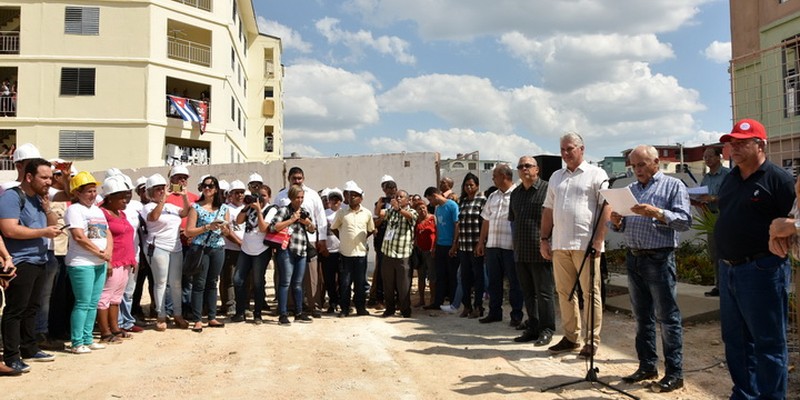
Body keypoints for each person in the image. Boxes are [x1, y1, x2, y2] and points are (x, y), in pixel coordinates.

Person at [716, 119, 795, 399]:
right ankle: (744, 394)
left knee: (768, 343)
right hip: (729, 270)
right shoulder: (730, 178)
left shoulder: (779, 180)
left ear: (760, 145)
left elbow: (794, 220)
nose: (733, 147)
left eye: (741, 142)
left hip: (762, 270)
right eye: (731, 142)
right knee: (735, 340)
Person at [609, 145, 692, 393]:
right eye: (634, 166)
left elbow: (685, 221)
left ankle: (675, 373)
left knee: (667, 318)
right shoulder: (631, 190)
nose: (637, 170)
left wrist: (658, 213)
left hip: (659, 258)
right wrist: (616, 222)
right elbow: (622, 227)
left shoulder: (673, 186)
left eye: (642, 165)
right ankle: (647, 366)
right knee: (642, 317)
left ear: (656, 162)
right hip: (633, 258)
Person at [541, 132, 610, 358]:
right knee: (564, 292)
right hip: (560, 243)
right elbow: (548, 209)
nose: (565, 153)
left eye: (570, 149)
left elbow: (606, 208)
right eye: (562, 150)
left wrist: (598, 240)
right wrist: (544, 239)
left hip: (585, 244)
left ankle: (591, 340)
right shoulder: (556, 177)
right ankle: (571, 337)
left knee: (590, 292)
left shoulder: (596, 174)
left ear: (582, 149)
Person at [0, 158, 61, 372]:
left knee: (32, 307)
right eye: (43, 177)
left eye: (50, 177)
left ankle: (29, 347)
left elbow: (52, 225)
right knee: (15, 310)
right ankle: (11, 356)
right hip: (21, 261)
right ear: (28, 177)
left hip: (40, 260)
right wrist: (43, 232)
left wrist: (47, 209)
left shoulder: (38, 199)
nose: (49, 182)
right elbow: (9, 229)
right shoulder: (12, 197)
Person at [64, 171, 113, 354]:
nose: (92, 194)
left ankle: (88, 338)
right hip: (81, 262)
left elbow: (107, 232)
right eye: (88, 191)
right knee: (83, 302)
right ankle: (77, 342)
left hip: (98, 262)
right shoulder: (74, 210)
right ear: (77, 192)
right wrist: (100, 253)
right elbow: (79, 236)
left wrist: (107, 252)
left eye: (94, 190)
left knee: (93, 302)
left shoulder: (97, 210)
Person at [508, 156, 554, 345]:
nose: (524, 169)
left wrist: (549, 243)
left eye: (528, 165)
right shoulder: (516, 193)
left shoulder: (547, 190)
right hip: (521, 250)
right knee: (528, 293)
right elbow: (513, 220)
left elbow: (553, 220)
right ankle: (533, 328)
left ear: (537, 169)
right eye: (520, 166)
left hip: (540, 250)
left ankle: (547, 329)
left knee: (544, 293)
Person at [274, 167, 327, 318]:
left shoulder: (312, 195)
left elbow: (320, 217)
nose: (297, 180)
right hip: (286, 242)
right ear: (289, 179)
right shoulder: (281, 196)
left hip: (308, 242)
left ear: (303, 178)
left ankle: (314, 306)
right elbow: (274, 219)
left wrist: (321, 238)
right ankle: (289, 307)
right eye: (294, 178)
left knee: (311, 276)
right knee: (286, 277)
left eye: (299, 178)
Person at [140, 173, 191, 331]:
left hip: (175, 247)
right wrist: (163, 200)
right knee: (161, 282)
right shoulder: (147, 207)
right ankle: (161, 315)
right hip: (158, 247)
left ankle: (178, 314)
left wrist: (184, 196)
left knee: (176, 283)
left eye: (164, 188)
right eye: (158, 189)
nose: (162, 191)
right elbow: (153, 217)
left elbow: (185, 212)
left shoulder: (171, 207)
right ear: (150, 192)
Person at [475, 164, 523, 326]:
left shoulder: (518, 194)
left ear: (504, 176)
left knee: (514, 282)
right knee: (494, 282)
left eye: (494, 175)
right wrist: (481, 242)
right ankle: (495, 312)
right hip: (493, 245)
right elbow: (486, 220)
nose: (492, 178)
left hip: (511, 246)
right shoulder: (493, 196)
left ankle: (516, 315)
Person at [184, 176, 230, 332]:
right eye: (204, 186)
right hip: (200, 248)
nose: (207, 188)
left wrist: (224, 229)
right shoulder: (195, 207)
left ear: (216, 189)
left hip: (217, 248)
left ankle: (212, 317)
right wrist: (207, 227)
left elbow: (227, 231)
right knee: (199, 284)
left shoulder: (224, 208)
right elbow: (188, 231)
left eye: (210, 186)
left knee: (212, 283)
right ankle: (197, 319)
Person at [95, 176, 137, 345]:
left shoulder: (121, 213)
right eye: (120, 196)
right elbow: (99, 238)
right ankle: (105, 332)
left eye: (126, 196)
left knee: (117, 297)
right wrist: (107, 260)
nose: (125, 200)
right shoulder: (101, 213)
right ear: (109, 197)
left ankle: (116, 328)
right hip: (112, 260)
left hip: (125, 261)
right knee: (105, 296)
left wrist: (132, 259)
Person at [269, 185, 317, 324]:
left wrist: (307, 223)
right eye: (297, 197)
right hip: (286, 250)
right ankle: (283, 314)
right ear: (291, 197)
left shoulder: (304, 211)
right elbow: (273, 227)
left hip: (301, 250)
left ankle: (299, 312)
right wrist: (291, 219)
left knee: (298, 284)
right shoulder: (284, 210)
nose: (300, 200)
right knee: (285, 282)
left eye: (302, 197)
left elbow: (313, 230)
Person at [331, 181, 375, 317]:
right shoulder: (341, 213)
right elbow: (334, 228)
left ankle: (360, 308)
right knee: (345, 283)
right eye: (350, 196)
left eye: (355, 196)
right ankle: (345, 308)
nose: (352, 198)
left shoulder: (366, 213)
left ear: (361, 198)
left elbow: (371, 230)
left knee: (360, 283)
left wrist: (361, 240)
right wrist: (344, 239)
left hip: (361, 254)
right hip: (345, 254)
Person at [232, 183, 274, 324]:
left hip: (261, 250)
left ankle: (257, 313)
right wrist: (246, 207)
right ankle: (240, 311)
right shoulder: (250, 208)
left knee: (257, 283)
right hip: (246, 248)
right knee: (238, 279)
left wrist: (259, 211)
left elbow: (263, 228)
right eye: (258, 195)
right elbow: (238, 221)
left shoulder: (271, 209)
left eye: (263, 195)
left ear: (269, 197)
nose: (260, 198)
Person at [447, 173, 486, 318]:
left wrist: (482, 243)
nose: (469, 187)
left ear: (477, 186)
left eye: (472, 185)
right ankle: (467, 306)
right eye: (466, 185)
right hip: (463, 246)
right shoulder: (462, 202)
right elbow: (459, 225)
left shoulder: (482, 200)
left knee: (478, 277)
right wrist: (455, 244)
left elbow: (484, 223)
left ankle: (478, 306)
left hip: (476, 245)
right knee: (465, 278)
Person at [695, 147, 730, 297]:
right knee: (714, 253)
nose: (707, 159)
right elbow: (702, 195)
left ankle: (729, 285)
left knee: (728, 252)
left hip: (725, 217)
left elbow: (732, 195)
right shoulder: (706, 178)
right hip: (710, 217)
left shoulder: (728, 174)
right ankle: (719, 286)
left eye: (710, 156)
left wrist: (714, 198)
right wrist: (698, 201)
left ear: (718, 157)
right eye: (705, 157)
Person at [379, 190, 417, 318]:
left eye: (401, 197)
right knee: (388, 285)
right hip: (388, 253)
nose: (398, 198)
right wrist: (379, 204)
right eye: (396, 197)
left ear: (407, 200)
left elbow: (411, 217)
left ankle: (405, 310)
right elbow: (380, 214)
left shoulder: (411, 211)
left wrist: (399, 208)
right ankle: (390, 309)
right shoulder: (392, 211)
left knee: (403, 286)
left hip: (402, 255)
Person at [422, 187, 459, 311]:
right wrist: (434, 246)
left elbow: (456, 225)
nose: (430, 203)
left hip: (450, 245)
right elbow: (437, 228)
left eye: (430, 199)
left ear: (434, 195)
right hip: (440, 246)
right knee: (440, 275)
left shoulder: (452, 206)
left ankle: (454, 302)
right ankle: (438, 302)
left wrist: (454, 244)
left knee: (452, 275)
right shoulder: (438, 209)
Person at [370, 175, 398, 309]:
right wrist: (380, 210)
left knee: (396, 269)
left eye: (392, 190)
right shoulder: (379, 203)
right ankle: (379, 298)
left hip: (396, 239)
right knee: (382, 269)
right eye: (387, 190)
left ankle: (397, 299)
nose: (390, 193)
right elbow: (375, 222)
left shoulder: (401, 202)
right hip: (382, 238)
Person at [221, 180, 246, 316]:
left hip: (246, 249)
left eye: (242, 192)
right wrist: (239, 242)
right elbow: (226, 230)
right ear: (230, 194)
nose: (240, 195)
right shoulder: (226, 209)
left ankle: (244, 304)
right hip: (230, 248)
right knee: (229, 278)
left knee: (245, 278)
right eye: (236, 193)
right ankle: (230, 304)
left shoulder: (247, 208)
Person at [320, 188, 343, 314]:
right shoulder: (324, 214)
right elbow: (321, 231)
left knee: (342, 279)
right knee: (329, 280)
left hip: (342, 251)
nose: (334, 201)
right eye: (332, 199)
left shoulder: (344, 213)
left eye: (337, 199)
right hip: (328, 251)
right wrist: (323, 247)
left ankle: (342, 302)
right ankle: (332, 303)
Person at [412, 197, 436, 308]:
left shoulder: (433, 218)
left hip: (431, 251)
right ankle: (421, 299)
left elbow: (437, 233)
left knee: (432, 276)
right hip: (420, 251)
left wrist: (434, 247)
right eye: (419, 209)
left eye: (423, 208)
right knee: (421, 277)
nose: (422, 210)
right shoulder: (416, 221)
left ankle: (432, 299)